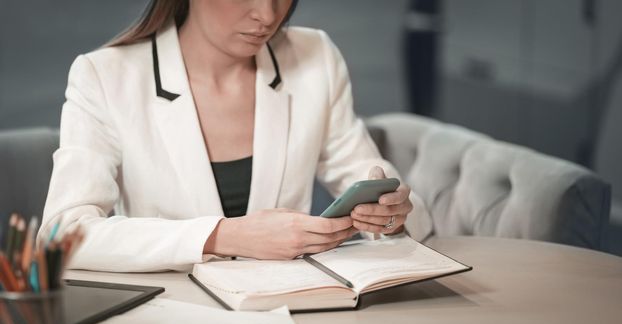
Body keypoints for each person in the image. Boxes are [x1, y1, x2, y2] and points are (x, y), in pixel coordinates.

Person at [39, 0, 432, 272]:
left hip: (297, 309)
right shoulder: (104, 76)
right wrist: (225, 236)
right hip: (173, 321)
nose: (267, 14)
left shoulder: (316, 57)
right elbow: (62, 237)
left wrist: (390, 215)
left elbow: (368, 178)